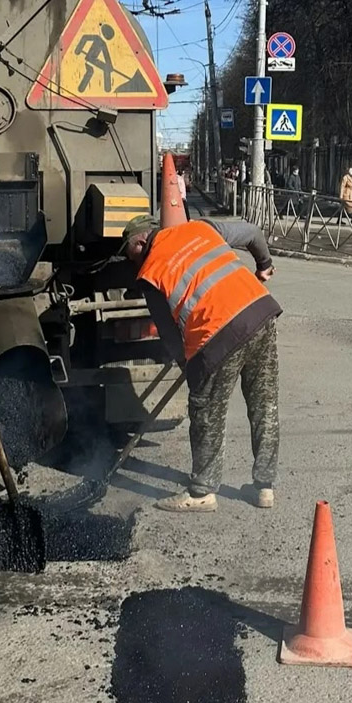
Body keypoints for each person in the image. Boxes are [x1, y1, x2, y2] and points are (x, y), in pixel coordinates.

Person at [122, 214, 281, 513]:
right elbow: (252, 233)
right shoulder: (200, 228)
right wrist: (264, 265)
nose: (131, 262)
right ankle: (264, 488)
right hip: (260, 313)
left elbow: (170, 336)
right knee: (265, 405)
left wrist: (190, 367)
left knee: (206, 411)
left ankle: (202, 492)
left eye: (129, 253)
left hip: (218, 333)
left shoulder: (150, 272)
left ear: (141, 241)